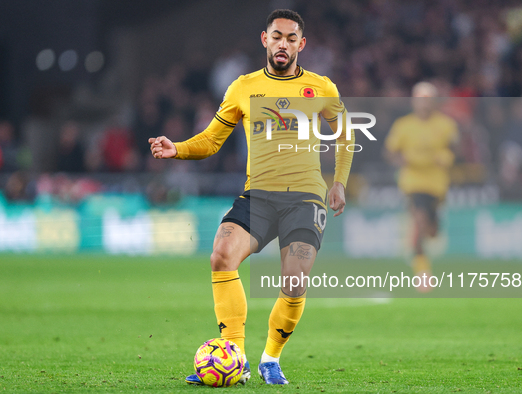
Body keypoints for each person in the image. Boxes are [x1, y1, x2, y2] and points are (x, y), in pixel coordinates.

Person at [149, 9, 353, 385]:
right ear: (265, 39)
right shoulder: (243, 87)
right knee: (221, 255)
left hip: (305, 198)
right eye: (277, 36)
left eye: (291, 38)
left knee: (294, 281)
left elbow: (344, 134)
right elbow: (211, 139)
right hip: (258, 194)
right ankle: (235, 355)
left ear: (301, 45)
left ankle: (270, 359)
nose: (283, 44)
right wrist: (176, 148)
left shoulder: (321, 88)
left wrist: (339, 181)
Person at [384, 82, 459, 292]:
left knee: (432, 231)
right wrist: (400, 160)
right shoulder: (403, 125)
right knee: (419, 220)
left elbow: (457, 148)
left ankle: (420, 248)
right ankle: (423, 272)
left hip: (436, 184)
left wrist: (448, 157)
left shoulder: (446, 125)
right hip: (412, 181)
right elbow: (391, 151)